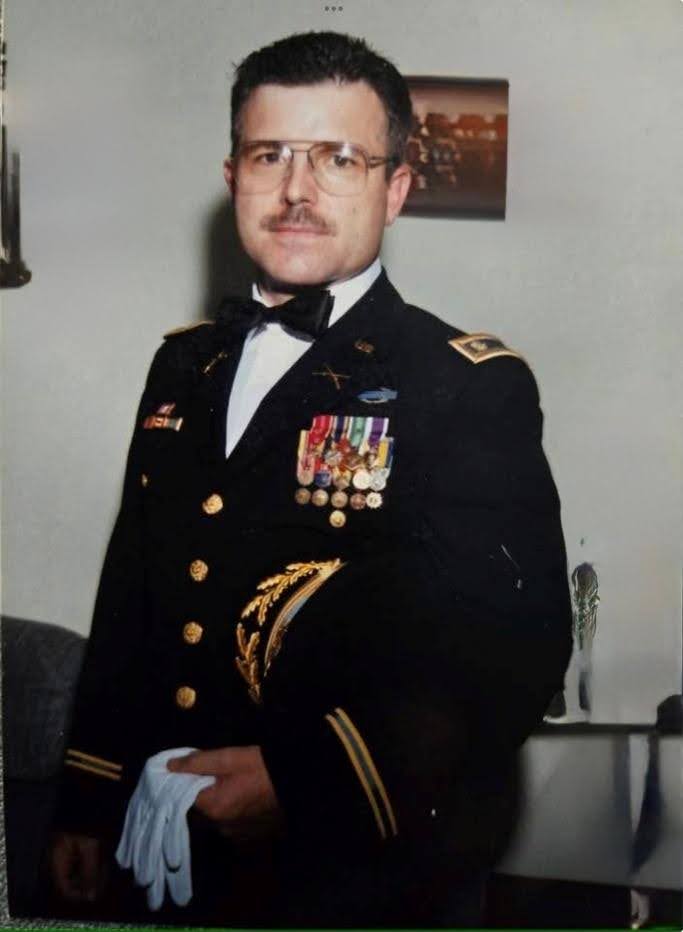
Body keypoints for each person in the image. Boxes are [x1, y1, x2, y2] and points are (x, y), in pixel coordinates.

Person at [50, 30, 572, 928]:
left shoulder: (462, 383)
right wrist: (89, 797)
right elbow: (132, 587)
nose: (297, 191)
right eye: (270, 155)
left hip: (356, 872)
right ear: (232, 178)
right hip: (166, 849)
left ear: (394, 189)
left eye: (338, 158)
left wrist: (304, 781)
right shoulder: (183, 366)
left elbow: (512, 647)